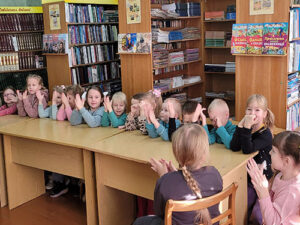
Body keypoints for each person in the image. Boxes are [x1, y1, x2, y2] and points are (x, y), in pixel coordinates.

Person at [133, 124, 223, 225]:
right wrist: (175, 176)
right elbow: (193, 187)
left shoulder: (166, 182)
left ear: (176, 154)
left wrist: (164, 177)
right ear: (205, 152)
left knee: (139, 222)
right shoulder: (215, 174)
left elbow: (160, 213)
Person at [230, 94, 274, 224]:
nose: (252, 113)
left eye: (257, 110)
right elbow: (234, 146)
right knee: (241, 205)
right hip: (248, 178)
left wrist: (247, 128)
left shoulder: (265, 134)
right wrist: (241, 126)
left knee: (256, 215)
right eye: (249, 109)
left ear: (264, 114)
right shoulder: (246, 128)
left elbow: (247, 149)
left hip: (262, 180)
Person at [247, 131, 300, 225]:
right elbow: (272, 202)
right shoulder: (280, 176)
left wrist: (262, 192)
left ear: (286, 161)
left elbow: (272, 222)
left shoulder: (291, 192)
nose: (269, 152)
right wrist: (262, 184)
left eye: (273, 151)